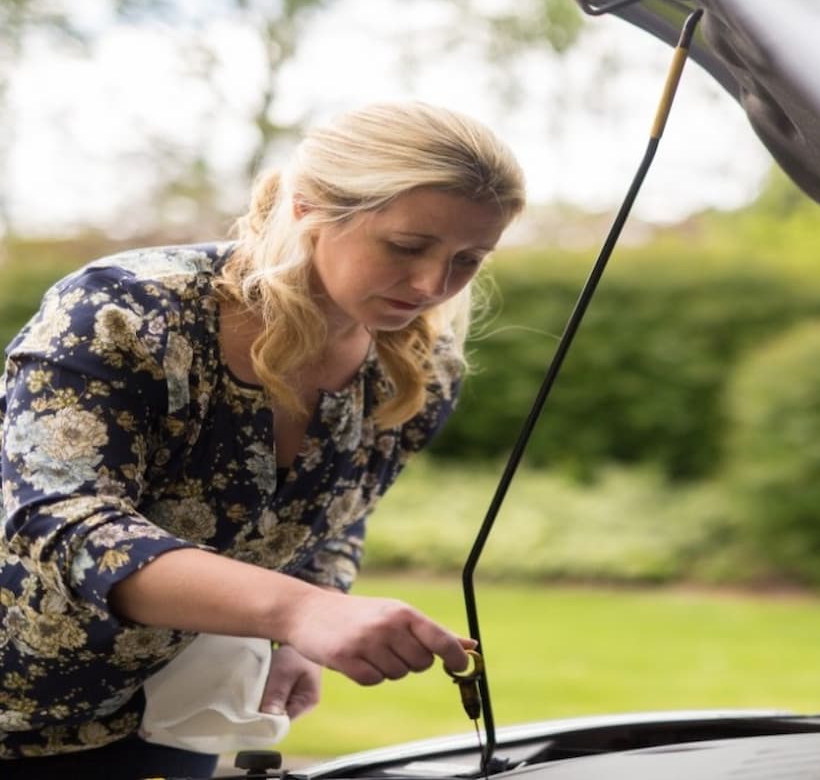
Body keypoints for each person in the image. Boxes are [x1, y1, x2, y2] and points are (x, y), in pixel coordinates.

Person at [0, 101, 526, 777]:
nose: (432, 286)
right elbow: (60, 528)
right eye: (405, 246)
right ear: (308, 208)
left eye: (468, 259)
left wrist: (308, 626)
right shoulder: (126, 311)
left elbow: (336, 519)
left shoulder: (419, 369)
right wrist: (297, 612)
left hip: (157, 718)